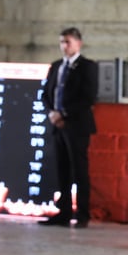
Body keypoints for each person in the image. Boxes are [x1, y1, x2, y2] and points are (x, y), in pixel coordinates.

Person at [39, 27, 98, 228]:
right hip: (57, 126)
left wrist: (64, 114)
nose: (65, 46)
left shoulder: (87, 66)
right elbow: (46, 93)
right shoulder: (56, 66)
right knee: (61, 170)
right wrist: (52, 113)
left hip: (76, 126)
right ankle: (63, 213)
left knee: (79, 170)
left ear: (78, 43)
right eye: (62, 42)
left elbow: (88, 97)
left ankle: (82, 214)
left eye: (68, 42)